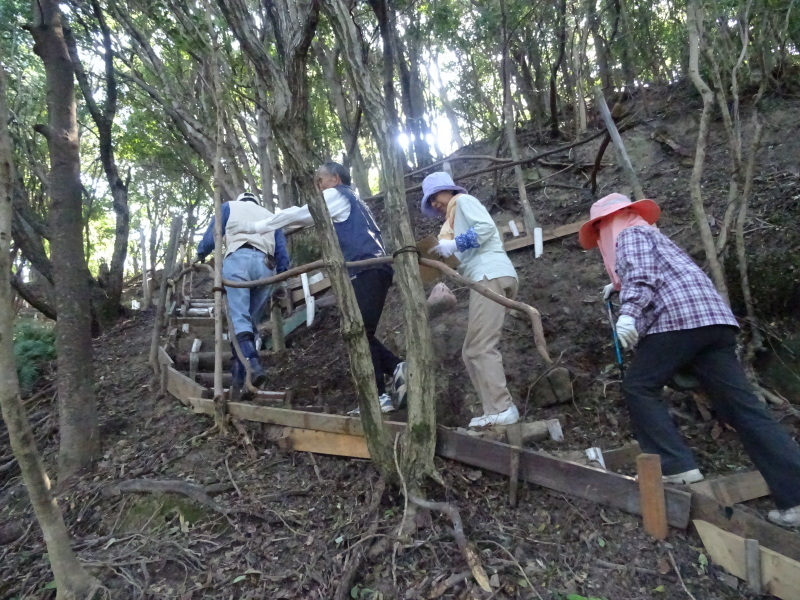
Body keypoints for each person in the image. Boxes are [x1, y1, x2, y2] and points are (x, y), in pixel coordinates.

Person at [579, 192, 800, 527]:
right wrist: (618, 287)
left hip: (678, 320)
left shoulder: (629, 234)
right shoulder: (652, 234)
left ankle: (676, 466)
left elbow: (641, 275)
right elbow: (656, 273)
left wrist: (629, 314)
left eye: (601, 228)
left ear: (607, 222)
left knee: (640, 385)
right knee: (744, 408)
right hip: (714, 322)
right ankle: (796, 498)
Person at [229, 162, 406, 413]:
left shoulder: (336, 195)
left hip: (366, 269)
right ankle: (396, 368)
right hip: (374, 268)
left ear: (334, 179)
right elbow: (302, 219)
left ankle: (379, 396)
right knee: (359, 331)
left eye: (320, 181)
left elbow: (298, 213)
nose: (319, 187)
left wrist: (256, 228)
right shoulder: (355, 201)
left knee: (358, 333)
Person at [420, 171, 520, 428]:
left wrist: (455, 245)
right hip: (485, 275)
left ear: (449, 191)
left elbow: (486, 228)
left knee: (480, 347)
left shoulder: (464, 202)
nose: (434, 203)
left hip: (491, 273)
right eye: (429, 201)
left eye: (435, 196)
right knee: (470, 351)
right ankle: (493, 410)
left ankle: (503, 408)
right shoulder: (453, 220)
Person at [195, 192, 290, 400]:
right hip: (266, 267)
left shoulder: (229, 206)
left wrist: (200, 253)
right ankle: (241, 385)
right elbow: (282, 251)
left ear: (241, 201)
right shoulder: (270, 214)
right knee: (248, 324)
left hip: (238, 260)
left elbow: (214, 233)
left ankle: (254, 366)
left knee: (239, 322)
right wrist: (282, 280)